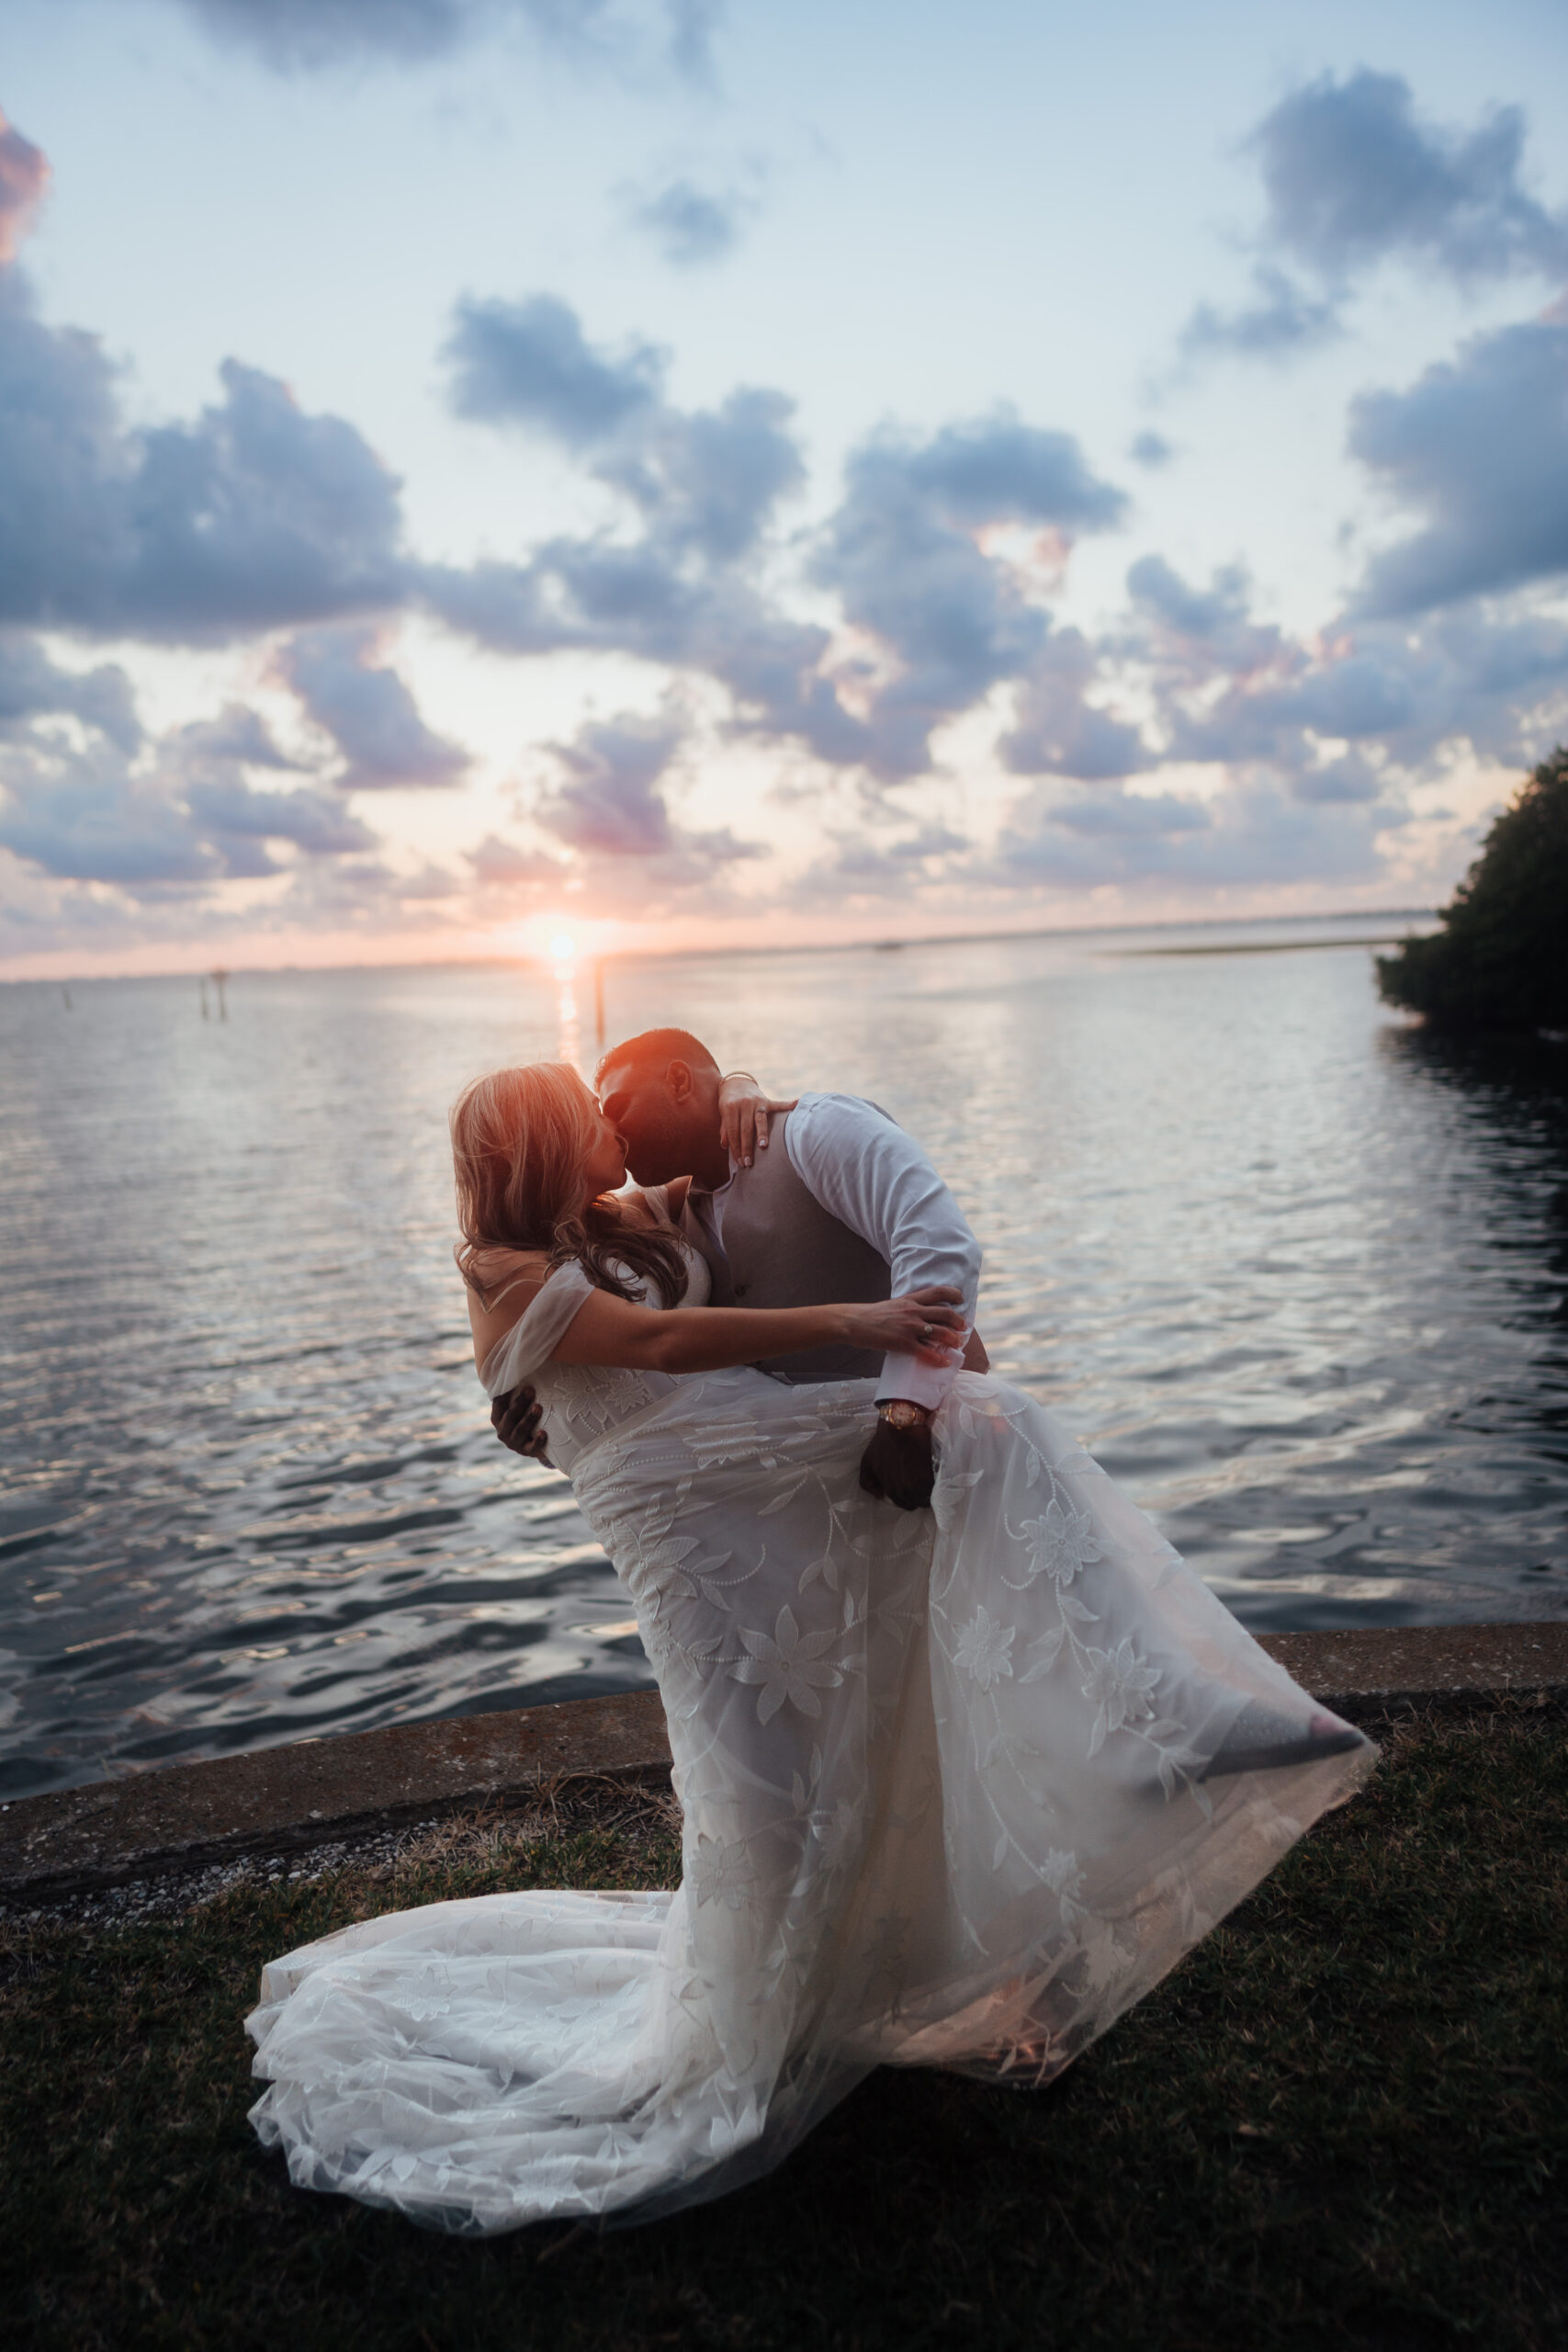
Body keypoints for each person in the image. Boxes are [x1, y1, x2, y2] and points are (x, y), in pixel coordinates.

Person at [246, 1057, 1372, 2236]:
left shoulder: (620, 1219)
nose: (604, 1122)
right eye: (583, 1114)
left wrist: (743, 1084)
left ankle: (1160, 1709)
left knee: (971, 1472)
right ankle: (751, 2023)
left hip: (765, 1475)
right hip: (688, 1524)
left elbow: (738, 1169)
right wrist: (861, 1320)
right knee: (760, 1787)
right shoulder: (503, 1269)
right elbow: (666, 1347)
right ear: (533, 1146)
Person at [489, 1028, 990, 1510]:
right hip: (807, 1499)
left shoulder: (816, 1128)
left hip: (945, 1449)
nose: (613, 1129)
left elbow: (938, 1245)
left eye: (617, 1107)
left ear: (680, 1081)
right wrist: (546, 1405)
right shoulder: (663, 1217)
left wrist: (906, 1414)